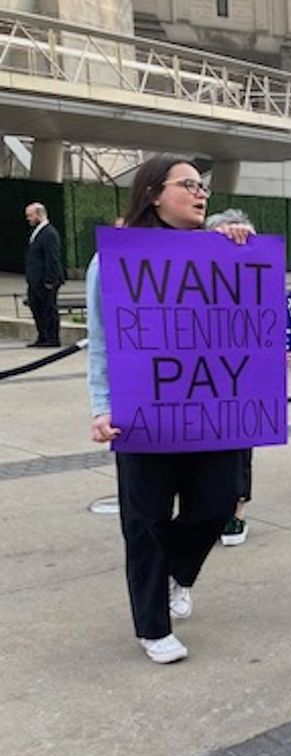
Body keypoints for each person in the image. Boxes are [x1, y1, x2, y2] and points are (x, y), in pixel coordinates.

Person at [87, 155, 256, 664]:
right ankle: (152, 625)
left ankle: (178, 571)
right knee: (146, 520)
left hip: (211, 412)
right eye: (187, 185)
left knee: (217, 503)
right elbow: (100, 340)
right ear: (153, 194)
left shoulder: (221, 252)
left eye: (202, 185)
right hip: (144, 412)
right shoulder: (116, 259)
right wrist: (102, 406)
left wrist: (240, 251)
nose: (200, 193)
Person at [203, 207, 260, 548]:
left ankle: (236, 511)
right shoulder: (193, 274)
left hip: (242, 372)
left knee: (239, 446)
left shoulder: (251, 274)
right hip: (200, 372)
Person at [23, 202, 64, 348]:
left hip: (45, 280)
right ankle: (42, 336)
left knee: (48, 309)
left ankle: (52, 338)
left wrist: (50, 280)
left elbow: (51, 258)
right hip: (35, 280)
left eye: (30, 215)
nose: (28, 218)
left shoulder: (49, 233)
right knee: (37, 307)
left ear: (39, 214)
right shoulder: (38, 232)